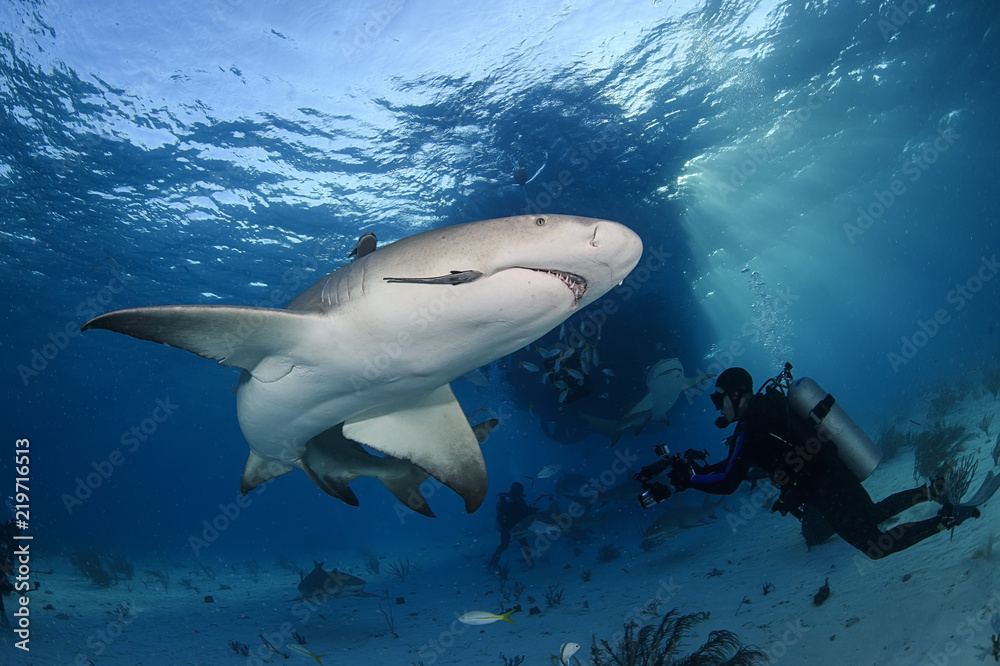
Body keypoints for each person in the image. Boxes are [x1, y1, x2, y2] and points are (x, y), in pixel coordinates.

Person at [666, 367, 980, 560]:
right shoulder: (770, 406)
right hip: (835, 471)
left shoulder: (751, 427)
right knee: (873, 514)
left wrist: (690, 479)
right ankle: (932, 490)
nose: (716, 407)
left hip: (827, 491)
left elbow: (728, 480)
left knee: (875, 547)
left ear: (735, 395)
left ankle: (946, 519)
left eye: (717, 399)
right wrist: (698, 472)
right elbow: (736, 463)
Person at [487, 482, 542, 571]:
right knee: (523, 543)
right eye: (521, 490)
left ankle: (493, 563)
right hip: (515, 525)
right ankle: (530, 562)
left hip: (505, 525)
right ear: (519, 490)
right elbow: (524, 511)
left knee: (504, 545)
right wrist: (533, 511)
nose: (522, 492)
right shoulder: (517, 499)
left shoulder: (506, 498)